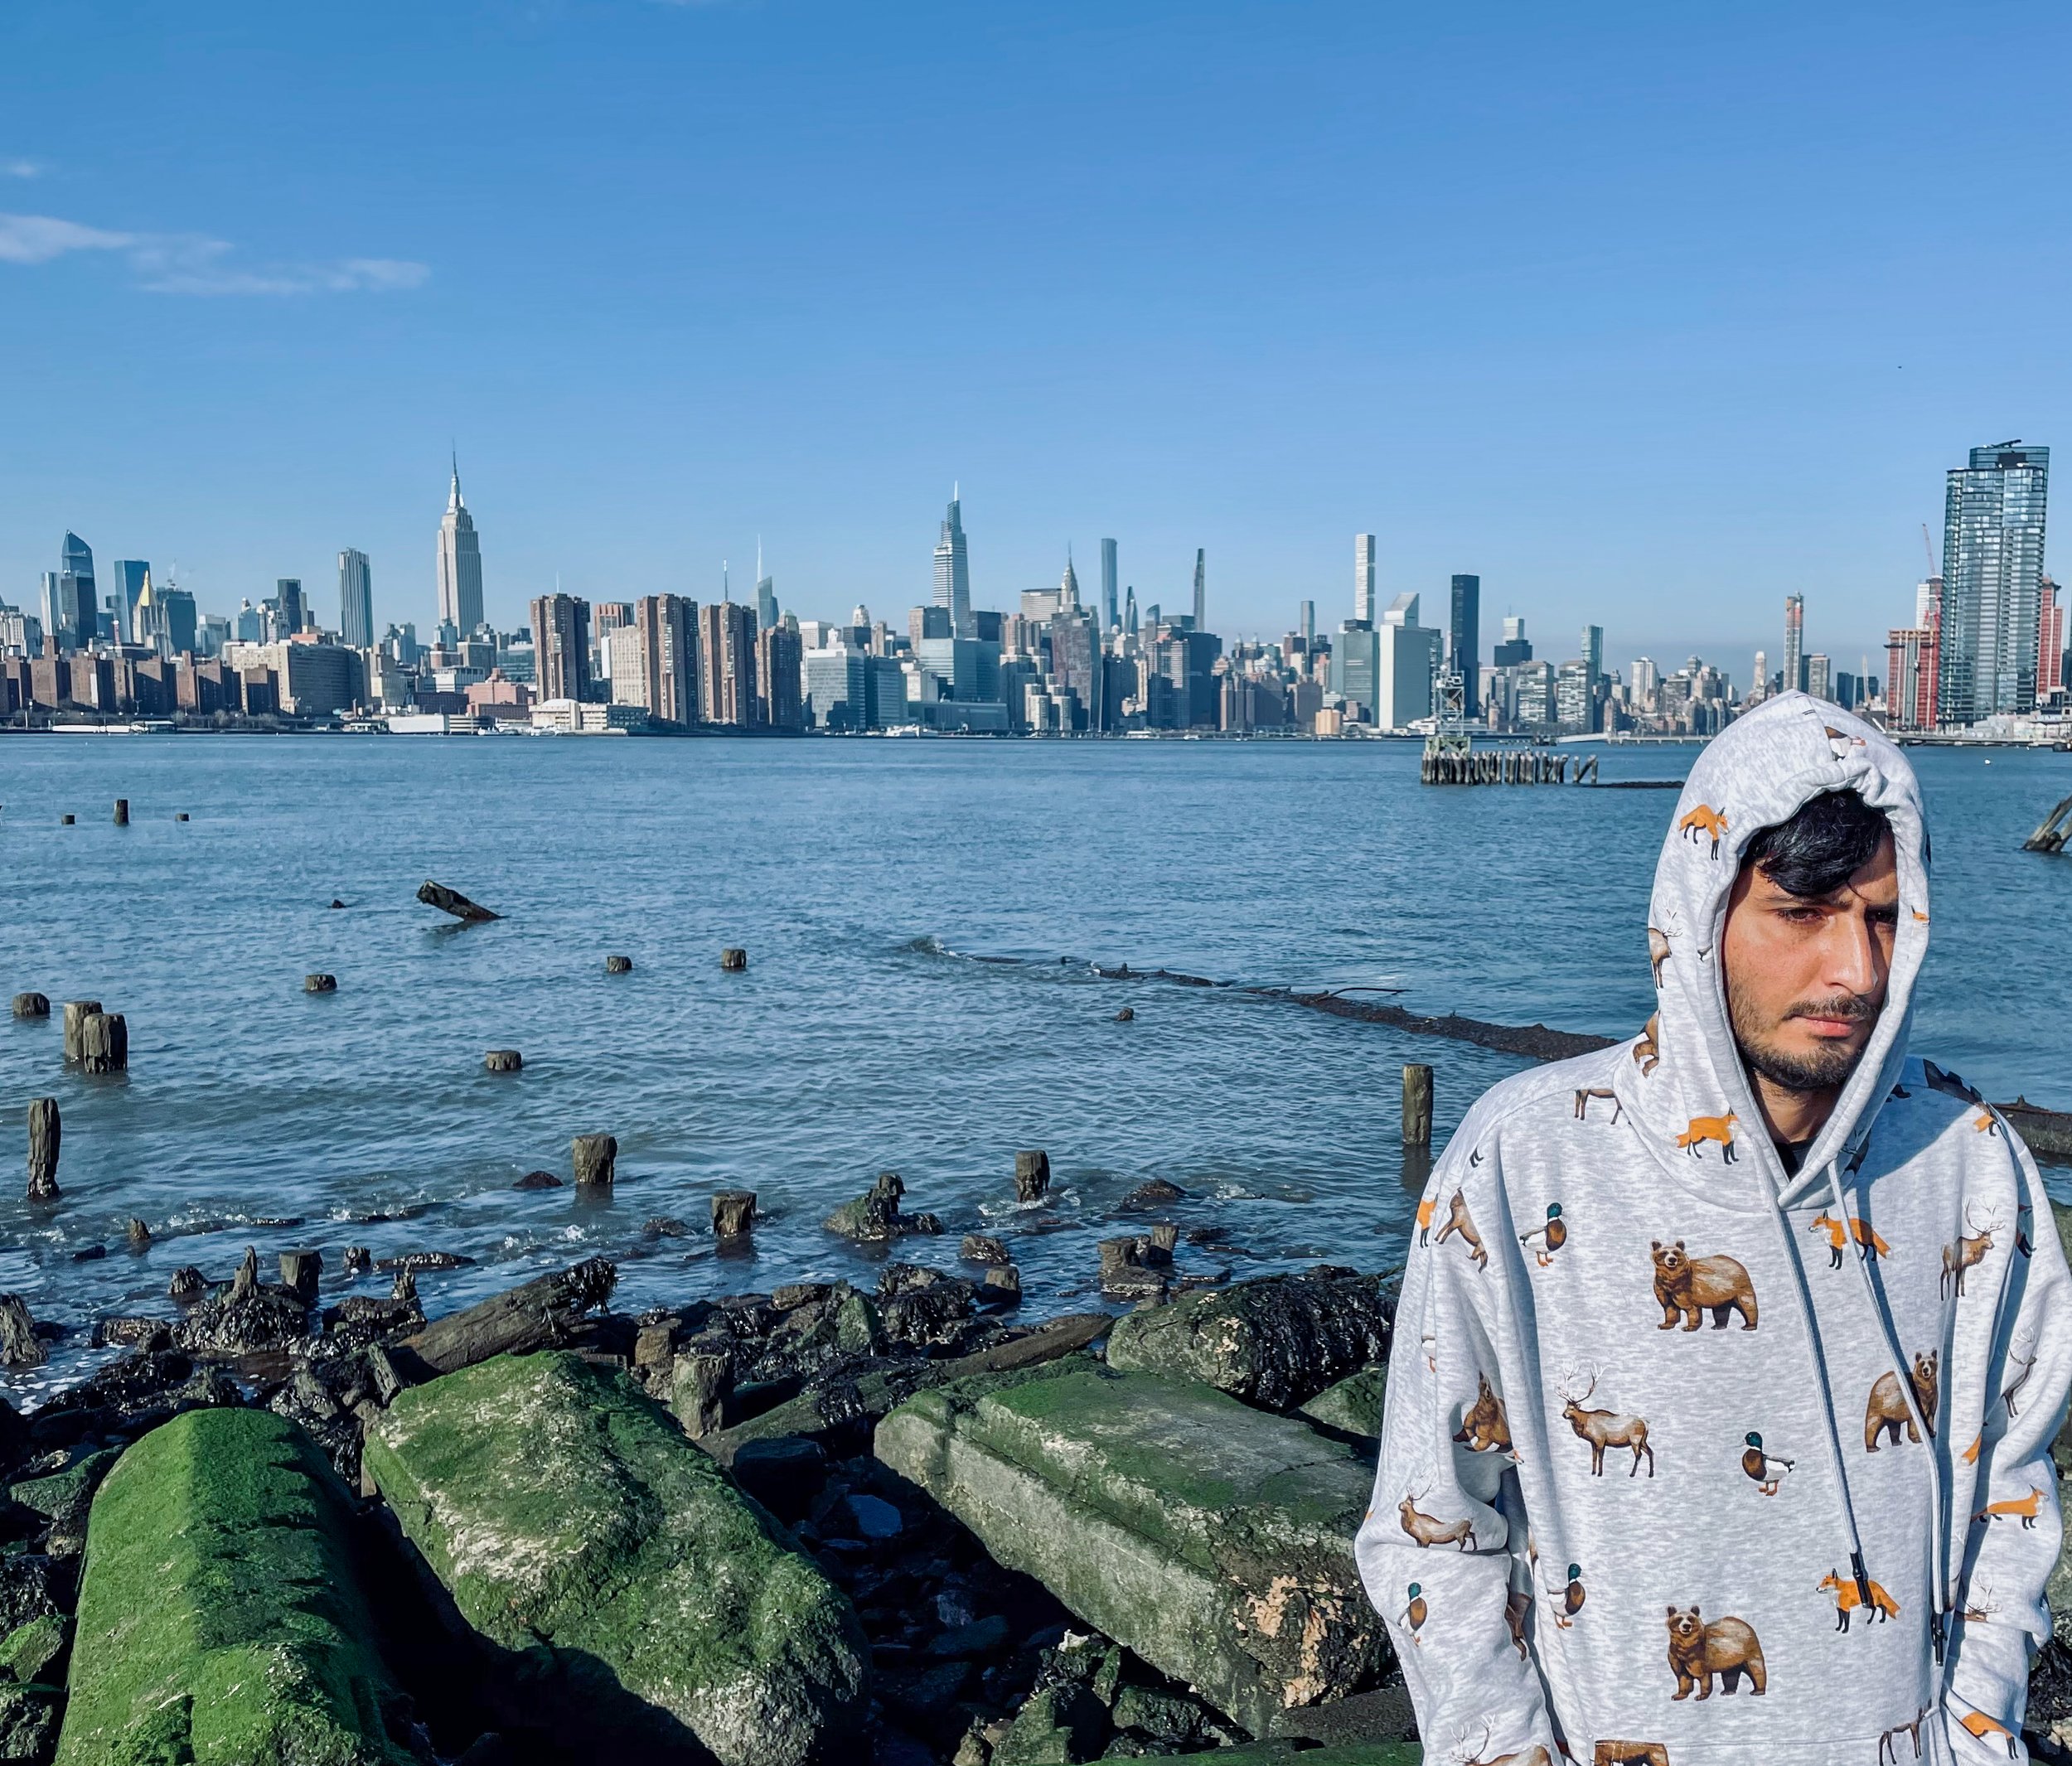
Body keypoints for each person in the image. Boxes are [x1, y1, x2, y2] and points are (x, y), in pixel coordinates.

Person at [1358, 692, 2072, 1763]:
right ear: (1702, 917)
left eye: (1883, 919)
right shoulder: (1521, 1159)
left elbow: (2009, 1503)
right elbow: (1433, 1526)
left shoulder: (1972, 1168)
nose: (1858, 971)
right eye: (1804, 913)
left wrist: (1975, 1740)